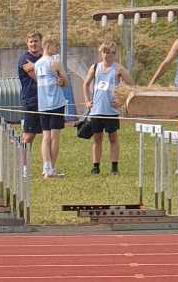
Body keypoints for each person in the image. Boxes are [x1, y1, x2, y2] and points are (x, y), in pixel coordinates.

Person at [76, 39, 125, 175]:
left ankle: (114, 167)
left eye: (111, 53)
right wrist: (87, 100)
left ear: (115, 54)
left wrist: (122, 100)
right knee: (97, 138)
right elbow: (86, 84)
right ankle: (96, 166)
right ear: (101, 53)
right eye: (105, 52)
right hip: (96, 110)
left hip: (111, 111)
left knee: (113, 138)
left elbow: (130, 85)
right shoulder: (95, 67)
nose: (107, 55)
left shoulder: (118, 69)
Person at [33, 35, 74, 178]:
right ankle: (51, 168)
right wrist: (61, 80)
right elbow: (66, 82)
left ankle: (47, 167)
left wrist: (59, 81)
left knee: (46, 137)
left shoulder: (37, 64)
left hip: (43, 104)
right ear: (48, 45)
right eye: (56, 46)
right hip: (56, 103)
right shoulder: (55, 62)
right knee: (54, 137)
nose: (57, 49)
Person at [16, 29, 43, 152]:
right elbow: (40, 79)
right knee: (28, 136)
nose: (34, 44)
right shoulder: (24, 59)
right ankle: (23, 162)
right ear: (27, 43)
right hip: (31, 100)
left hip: (46, 101)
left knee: (48, 135)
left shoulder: (44, 58)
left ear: (41, 42)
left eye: (36, 41)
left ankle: (48, 163)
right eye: (31, 41)